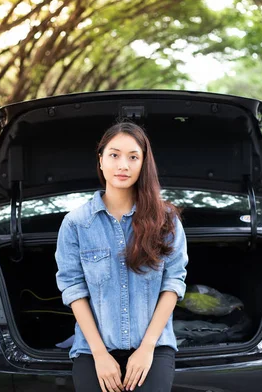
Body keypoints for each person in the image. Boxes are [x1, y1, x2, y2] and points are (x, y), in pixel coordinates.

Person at [54, 120, 189, 392]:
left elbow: (173, 282)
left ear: (143, 164)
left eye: (133, 157)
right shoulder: (76, 223)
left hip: (153, 346)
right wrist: (100, 354)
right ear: (101, 160)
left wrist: (147, 347)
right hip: (94, 348)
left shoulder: (166, 220)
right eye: (114, 155)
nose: (123, 165)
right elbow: (73, 288)